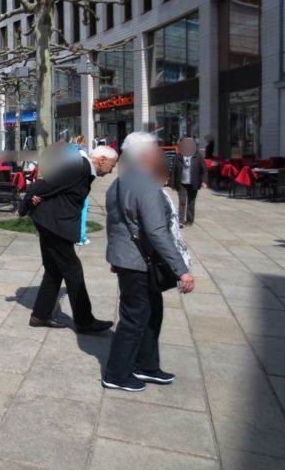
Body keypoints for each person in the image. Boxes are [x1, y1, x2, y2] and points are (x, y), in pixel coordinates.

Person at [101, 132, 195, 392]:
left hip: (130, 260)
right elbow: (156, 232)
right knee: (134, 318)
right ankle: (117, 374)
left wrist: (115, 257)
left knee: (151, 312)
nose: (160, 156)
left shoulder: (119, 183)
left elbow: (115, 223)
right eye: (156, 151)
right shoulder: (145, 185)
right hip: (137, 262)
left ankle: (147, 365)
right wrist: (182, 270)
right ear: (145, 156)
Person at [18, 144, 119, 332]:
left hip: (53, 223)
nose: (112, 170)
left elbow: (60, 191)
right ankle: (84, 321)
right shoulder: (79, 167)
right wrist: (26, 205)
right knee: (74, 272)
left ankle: (40, 315)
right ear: (102, 160)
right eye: (112, 165)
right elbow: (45, 185)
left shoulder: (84, 170)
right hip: (54, 226)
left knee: (54, 271)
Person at [171, 137, 208, 227]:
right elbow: (173, 171)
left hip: (193, 182)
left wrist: (204, 181)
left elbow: (204, 170)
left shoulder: (198, 156)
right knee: (182, 201)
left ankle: (189, 220)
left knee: (191, 202)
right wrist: (172, 184)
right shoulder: (178, 156)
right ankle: (180, 220)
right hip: (181, 182)